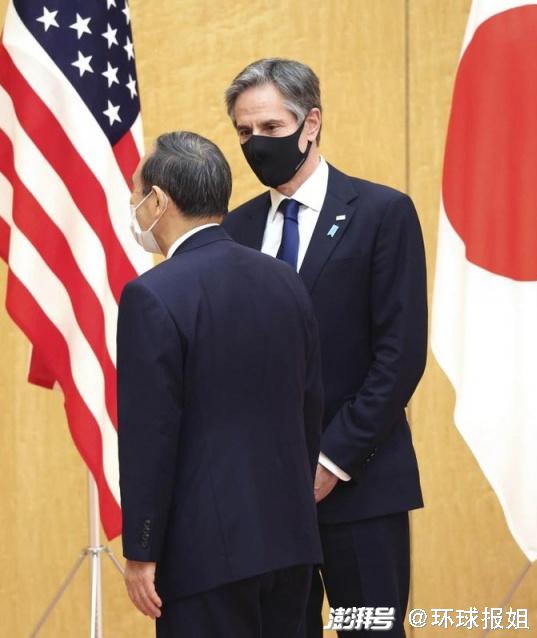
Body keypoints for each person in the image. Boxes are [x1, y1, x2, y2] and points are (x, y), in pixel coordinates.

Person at [222, 58, 428, 637]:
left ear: (310, 123)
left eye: (270, 127)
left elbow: (399, 356)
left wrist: (331, 460)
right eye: (244, 132)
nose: (256, 143)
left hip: (361, 487)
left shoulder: (382, 214)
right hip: (266, 500)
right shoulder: (235, 231)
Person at [118, 131, 324, 637]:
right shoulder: (285, 280)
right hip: (291, 544)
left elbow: (150, 437)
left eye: (135, 192)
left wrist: (141, 549)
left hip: (204, 557)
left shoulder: (151, 295)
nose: (133, 206)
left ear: (158, 201)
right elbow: (309, 408)